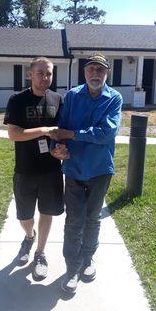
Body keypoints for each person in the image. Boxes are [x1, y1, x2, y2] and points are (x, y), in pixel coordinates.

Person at [50, 53, 122, 294]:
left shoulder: (114, 99)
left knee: (92, 218)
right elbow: (60, 128)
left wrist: (71, 134)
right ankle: (72, 268)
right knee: (73, 221)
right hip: (73, 169)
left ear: (107, 74)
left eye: (100, 70)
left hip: (100, 169)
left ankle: (88, 258)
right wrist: (57, 147)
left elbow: (105, 134)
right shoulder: (72, 96)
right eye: (91, 69)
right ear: (84, 73)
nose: (95, 74)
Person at [4, 57, 64, 281]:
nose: (45, 77)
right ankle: (29, 236)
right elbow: (13, 134)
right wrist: (44, 130)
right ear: (30, 74)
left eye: (49, 73)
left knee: (47, 212)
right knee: (25, 216)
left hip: (51, 170)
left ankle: (40, 253)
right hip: (25, 169)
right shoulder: (17, 100)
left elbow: (61, 132)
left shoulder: (58, 99)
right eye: (40, 73)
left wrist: (61, 148)